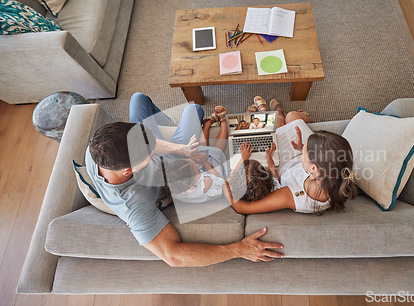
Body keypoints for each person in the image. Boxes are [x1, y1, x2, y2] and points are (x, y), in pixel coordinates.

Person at [85, 92, 284, 267]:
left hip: (181, 152)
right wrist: (238, 250)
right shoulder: (135, 206)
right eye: (149, 150)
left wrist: (179, 149)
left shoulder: (99, 147)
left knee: (141, 99)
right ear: (129, 171)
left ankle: (167, 127)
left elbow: (151, 145)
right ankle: (172, 131)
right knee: (195, 111)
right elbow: (174, 256)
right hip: (182, 163)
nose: (153, 145)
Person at [224, 97, 357, 215]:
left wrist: (226, 184)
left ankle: (279, 113)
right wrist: (301, 148)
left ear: (313, 168)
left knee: (279, 125)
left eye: (304, 150)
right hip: (295, 165)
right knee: (293, 117)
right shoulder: (336, 172)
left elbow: (241, 208)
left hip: (285, 168)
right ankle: (287, 114)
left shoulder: (292, 195)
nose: (302, 148)